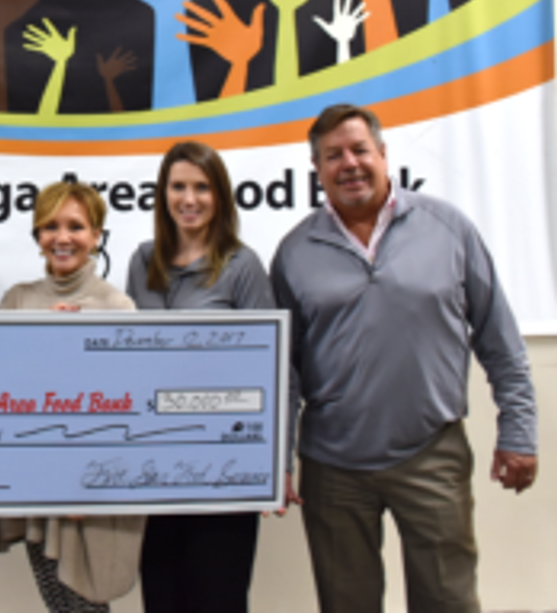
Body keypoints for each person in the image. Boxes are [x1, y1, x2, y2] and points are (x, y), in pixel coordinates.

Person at [270, 103, 538, 613]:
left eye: (359, 150)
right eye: (333, 155)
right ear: (317, 168)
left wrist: (519, 432)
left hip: (432, 454)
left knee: (448, 601)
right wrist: (276, 461)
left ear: (383, 153)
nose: (349, 163)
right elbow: (285, 373)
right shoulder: (295, 252)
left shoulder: (449, 228)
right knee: (346, 604)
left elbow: (500, 340)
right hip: (333, 467)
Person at [126, 140, 274, 613]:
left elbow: (269, 368)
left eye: (202, 188)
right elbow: (126, 355)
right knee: (162, 597)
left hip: (222, 468)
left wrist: (271, 461)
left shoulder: (242, 266)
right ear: (163, 194)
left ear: (220, 196)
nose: (189, 199)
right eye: (178, 187)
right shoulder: (142, 261)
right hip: (157, 468)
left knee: (218, 597)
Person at [0, 181, 143, 613]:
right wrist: (37, 338)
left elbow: (128, 413)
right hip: (37, 486)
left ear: (96, 235)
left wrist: (87, 487)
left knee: (88, 604)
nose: (62, 238)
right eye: (50, 226)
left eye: (76, 226)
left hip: (93, 491)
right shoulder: (18, 301)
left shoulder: (118, 307)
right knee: (60, 605)